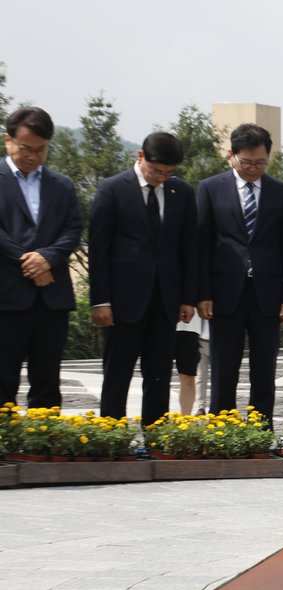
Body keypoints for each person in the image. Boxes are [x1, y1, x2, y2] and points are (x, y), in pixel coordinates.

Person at [87, 132, 198, 427]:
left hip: (164, 300)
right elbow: (99, 250)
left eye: (169, 173)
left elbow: (188, 249)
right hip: (121, 302)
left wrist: (187, 297)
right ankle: (112, 436)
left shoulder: (182, 193)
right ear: (140, 157)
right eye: (156, 171)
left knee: (159, 373)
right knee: (117, 374)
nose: (161, 178)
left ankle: (155, 436)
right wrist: (101, 300)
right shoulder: (112, 190)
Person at [196, 123, 283, 421]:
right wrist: (202, 293)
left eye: (260, 163)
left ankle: (260, 431)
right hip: (224, 294)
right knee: (224, 369)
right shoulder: (211, 189)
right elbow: (201, 246)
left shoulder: (282, 193)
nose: (253, 169)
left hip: (267, 293)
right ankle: (223, 431)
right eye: (247, 162)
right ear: (231, 155)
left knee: (264, 369)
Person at [1, 107, 83, 409]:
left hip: (52, 297)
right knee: (3, 377)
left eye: (41, 150)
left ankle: (43, 447)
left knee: (47, 380)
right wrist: (31, 263)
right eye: (26, 148)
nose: (33, 156)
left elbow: (73, 227)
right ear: (8, 141)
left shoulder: (61, 185)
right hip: (7, 297)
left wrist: (48, 259)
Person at [175, 314, 210, 415]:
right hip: (161, 319)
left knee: (188, 376)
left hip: (190, 325)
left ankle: (185, 421)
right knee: (158, 377)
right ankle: (157, 422)